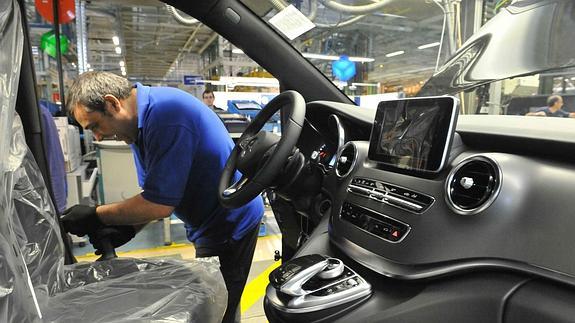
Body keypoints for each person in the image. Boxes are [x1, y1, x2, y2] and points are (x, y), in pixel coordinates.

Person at [62, 71, 264, 323]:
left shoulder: (167, 116)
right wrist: (131, 228)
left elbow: (160, 205)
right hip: (206, 222)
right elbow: (156, 193)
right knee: (216, 303)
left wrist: (95, 215)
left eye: (95, 126)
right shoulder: (140, 126)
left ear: (113, 103)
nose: (97, 137)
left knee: (219, 308)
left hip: (229, 224)